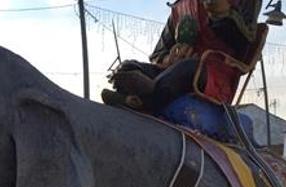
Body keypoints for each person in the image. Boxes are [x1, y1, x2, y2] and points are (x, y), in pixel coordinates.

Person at [102, 0, 258, 112]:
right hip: (169, 72)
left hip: (212, 76)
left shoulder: (240, 3)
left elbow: (243, 43)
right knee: (129, 66)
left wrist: (224, 15)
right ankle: (137, 96)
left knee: (188, 67)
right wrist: (168, 58)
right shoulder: (180, 8)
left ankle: (143, 100)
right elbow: (158, 53)